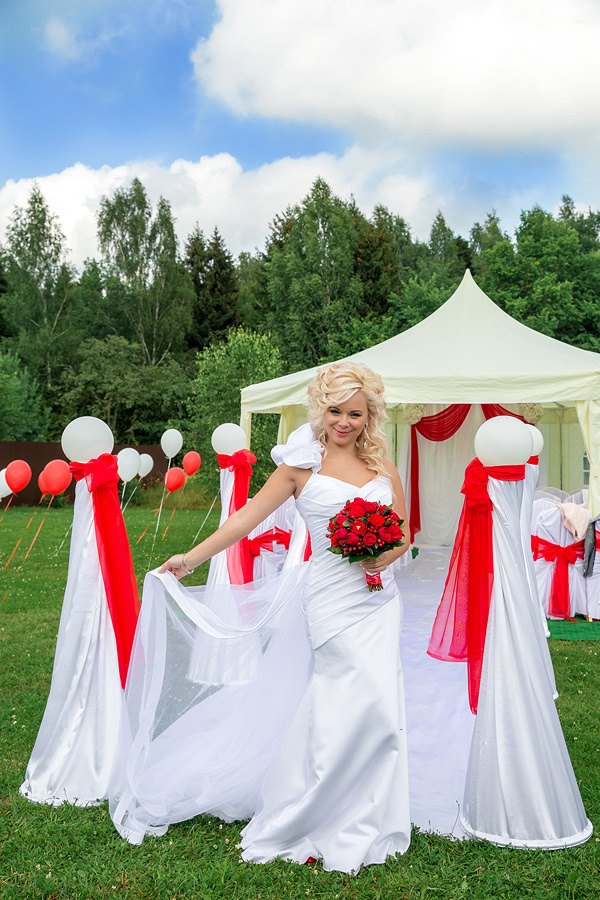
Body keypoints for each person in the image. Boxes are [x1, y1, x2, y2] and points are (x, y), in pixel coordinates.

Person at [109, 361, 411, 873]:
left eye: (355, 413)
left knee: (381, 704)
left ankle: (368, 814)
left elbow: (404, 531)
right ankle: (312, 810)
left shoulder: (383, 467)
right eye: (335, 410)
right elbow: (246, 517)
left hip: (378, 600)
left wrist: (390, 553)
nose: (344, 422)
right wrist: (191, 558)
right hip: (330, 599)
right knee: (341, 702)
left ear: (369, 415)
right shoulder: (299, 466)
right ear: (321, 410)